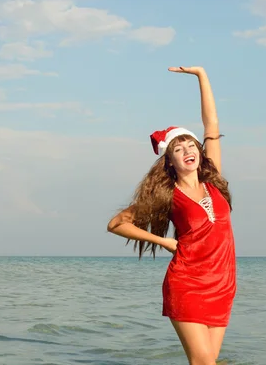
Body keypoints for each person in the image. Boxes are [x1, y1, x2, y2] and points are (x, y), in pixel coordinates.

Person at [107, 66, 236, 365]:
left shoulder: (213, 180)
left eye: (191, 145)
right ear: (170, 160)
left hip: (223, 282)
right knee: (204, 362)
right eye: (179, 149)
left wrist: (202, 76)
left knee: (210, 361)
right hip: (187, 283)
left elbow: (212, 124)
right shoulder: (166, 195)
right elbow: (116, 224)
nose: (188, 150)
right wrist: (163, 242)